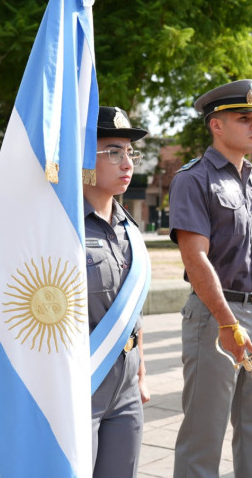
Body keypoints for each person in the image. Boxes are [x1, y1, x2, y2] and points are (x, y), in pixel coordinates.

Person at [169, 79, 252, 478]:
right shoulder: (194, 178)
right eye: (243, 118)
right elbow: (195, 257)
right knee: (204, 433)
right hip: (216, 315)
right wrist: (226, 321)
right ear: (216, 125)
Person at [85, 107, 151, 477]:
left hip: (126, 386)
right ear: (84, 157)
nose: (127, 163)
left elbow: (132, 312)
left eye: (129, 152)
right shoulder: (61, 229)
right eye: (114, 152)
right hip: (81, 382)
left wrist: (141, 372)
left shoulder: (130, 230)